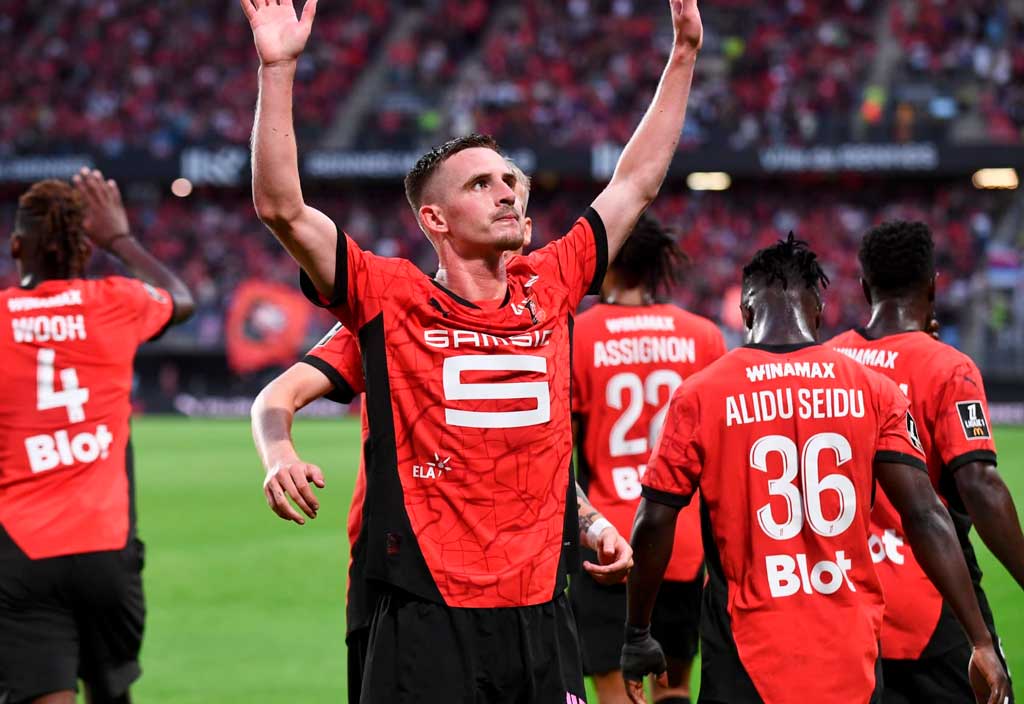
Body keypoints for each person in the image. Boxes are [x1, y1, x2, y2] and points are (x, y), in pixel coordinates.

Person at [241, 0, 702, 696]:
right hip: (427, 612)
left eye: (509, 180)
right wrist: (277, 70)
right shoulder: (388, 298)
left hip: (542, 607)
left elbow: (634, 183)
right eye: (480, 184)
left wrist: (684, 53)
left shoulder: (553, 281)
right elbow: (283, 209)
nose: (506, 193)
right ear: (435, 219)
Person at [251, 162, 633, 702]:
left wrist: (591, 523)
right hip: (405, 577)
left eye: (516, 203)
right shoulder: (398, 318)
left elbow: (529, 464)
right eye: (485, 191)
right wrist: (278, 452)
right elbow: (277, 395)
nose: (509, 209)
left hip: (527, 589)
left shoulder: (541, 315)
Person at [621, 235, 1009, 704]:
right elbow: (925, 514)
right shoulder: (874, 389)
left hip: (745, 658)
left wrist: (638, 632)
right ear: (819, 312)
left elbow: (654, 520)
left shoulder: (700, 394)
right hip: (850, 655)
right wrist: (980, 640)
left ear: (746, 312)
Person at [0, 169, 195, 704]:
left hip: (20, 548)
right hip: (106, 547)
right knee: (113, 693)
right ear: (85, 250)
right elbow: (180, 298)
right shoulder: (118, 301)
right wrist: (121, 239)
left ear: (16, 247)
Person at [828, 220, 1022, 703]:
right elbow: (979, 485)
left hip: (843, 601)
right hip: (932, 603)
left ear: (864, 287)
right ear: (933, 286)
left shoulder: (827, 363)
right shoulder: (947, 368)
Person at [570, 213, 725, 704]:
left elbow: (560, 453)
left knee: (617, 693)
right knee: (672, 689)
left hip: (606, 541)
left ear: (608, 259)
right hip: (679, 541)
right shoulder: (703, 336)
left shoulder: (576, 335)